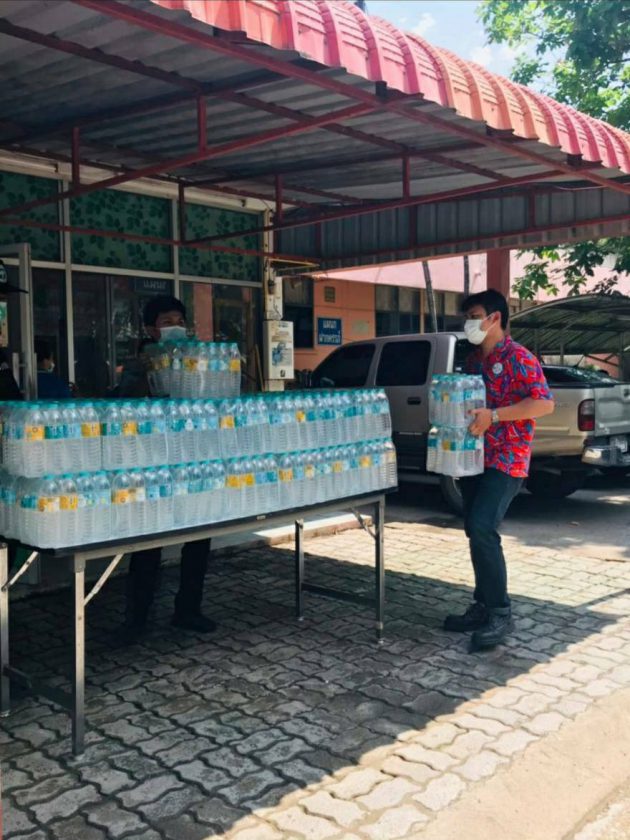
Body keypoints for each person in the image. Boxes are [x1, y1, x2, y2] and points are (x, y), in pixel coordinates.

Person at [444, 289, 555, 650]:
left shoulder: (520, 358)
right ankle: (482, 605)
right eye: (467, 317)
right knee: (474, 529)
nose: (469, 323)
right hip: (475, 457)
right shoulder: (474, 361)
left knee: (482, 526)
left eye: (474, 316)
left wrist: (494, 416)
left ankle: (500, 612)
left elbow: (543, 404)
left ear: (495, 318)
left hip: (508, 457)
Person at [120, 295, 216, 641]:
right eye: (166, 322)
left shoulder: (193, 360)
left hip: (190, 458)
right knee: (149, 546)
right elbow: (123, 404)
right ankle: (137, 619)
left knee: (198, 538)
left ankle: (188, 610)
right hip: (154, 465)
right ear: (151, 329)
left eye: (179, 321)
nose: (175, 327)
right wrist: (143, 374)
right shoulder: (138, 365)